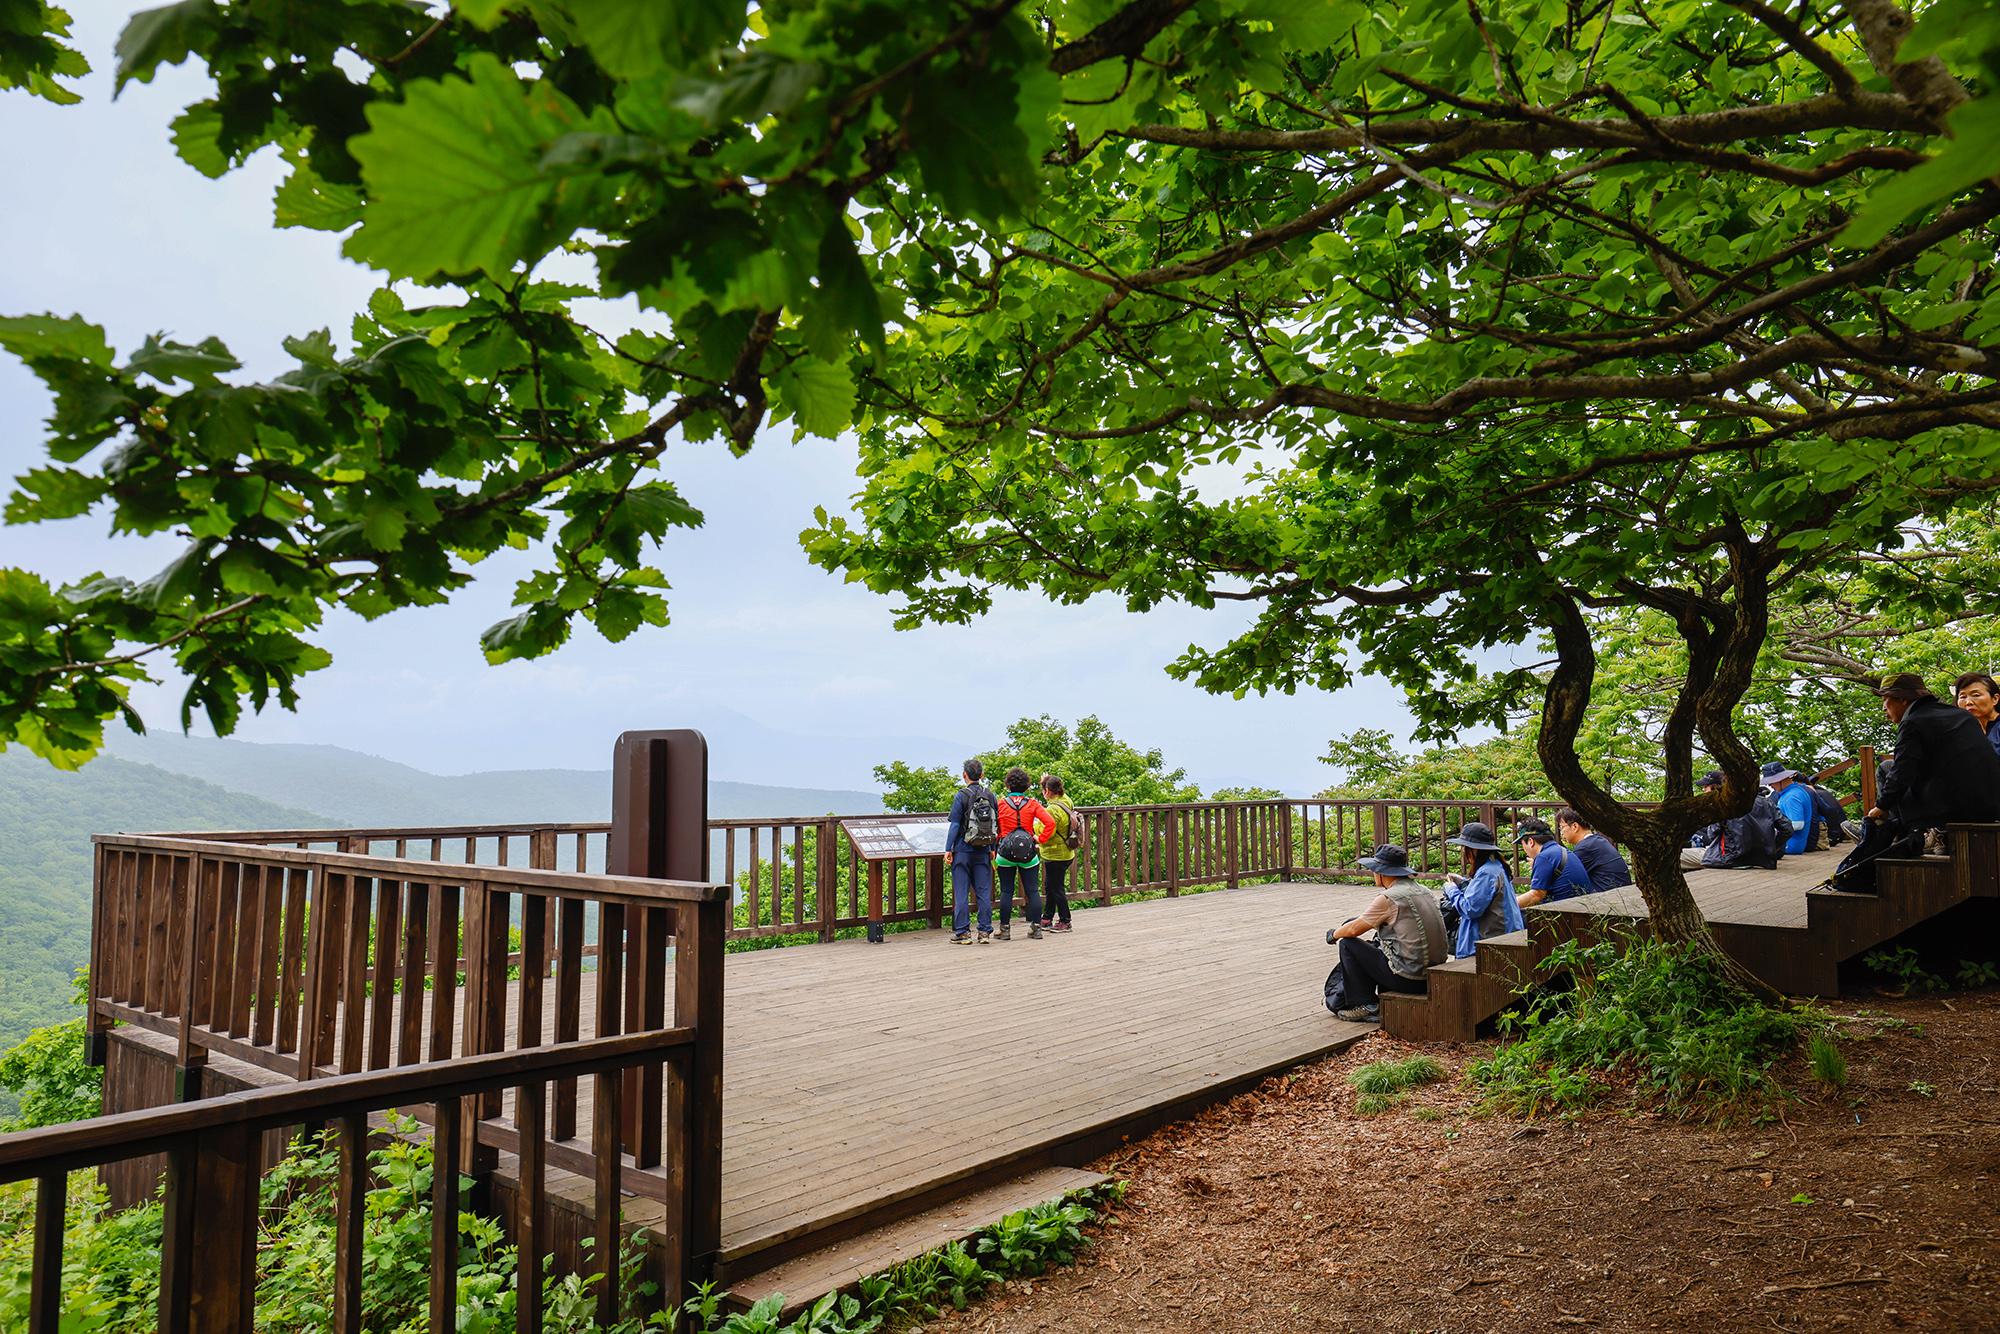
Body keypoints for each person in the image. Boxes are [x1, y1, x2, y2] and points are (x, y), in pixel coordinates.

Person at [1325, 843, 1448, 1023]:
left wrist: (1333, 934)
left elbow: (1352, 930)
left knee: (1348, 944)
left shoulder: (1389, 898)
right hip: (1432, 974)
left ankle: (1365, 1005)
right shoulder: (1424, 891)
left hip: (1409, 978)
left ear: (1382, 872)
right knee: (1362, 937)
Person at [1869, 673, 2000, 831]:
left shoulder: (1913, 722)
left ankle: (1897, 836)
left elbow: (1902, 772)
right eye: (1962, 696)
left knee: (1888, 769)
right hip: (1989, 805)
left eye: (1885, 700)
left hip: (1956, 810)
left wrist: (1881, 807)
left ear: (1902, 699)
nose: (1883, 707)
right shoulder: (1962, 716)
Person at [1441, 822, 1523, 955]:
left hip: (1488, 947)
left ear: (1474, 850)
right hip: (1502, 941)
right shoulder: (1495, 866)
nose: (1463, 852)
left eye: (1464, 847)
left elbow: (1470, 909)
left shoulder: (1487, 873)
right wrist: (1463, 883)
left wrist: (1451, 889)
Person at [992, 766, 1053, 940]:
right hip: (1028, 853)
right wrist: (1039, 839)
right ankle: (1036, 928)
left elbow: (992, 825)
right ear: (1026, 786)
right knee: (1032, 891)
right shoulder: (1032, 804)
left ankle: (1004, 929)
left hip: (1004, 853)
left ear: (1008, 785)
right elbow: (1050, 823)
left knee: (1006, 891)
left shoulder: (1001, 804)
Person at [945, 759, 1000, 944]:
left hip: (962, 849)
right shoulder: (990, 795)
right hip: (984, 849)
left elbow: (954, 824)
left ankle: (963, 932)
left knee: (961, 892)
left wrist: (948, 849)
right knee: (983, 893)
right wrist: (992, 848)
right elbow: (995, 824)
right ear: (982, 775)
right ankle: (984, 932)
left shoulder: (962, 795)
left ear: (964, 775)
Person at [1681, 771, 1777, 870]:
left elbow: (1712, 834)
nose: (1703, 789)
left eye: (1706, 786)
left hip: (1730, 859)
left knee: (1676, 856)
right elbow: (1786, 828)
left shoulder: (1721, 805)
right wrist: (1771, 850)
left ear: (1716, 787)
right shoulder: (1766, 802)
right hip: (1762, 859)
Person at [1514, 819, 1596, 908]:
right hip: (1582, 908)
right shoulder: (1561, 851)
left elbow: (1536, 895)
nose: (1523, 849)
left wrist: (1507, 905)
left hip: (1566, 914)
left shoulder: (1544, 857)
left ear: (1530, 842)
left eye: (1522, 844)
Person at [1036, 773, 1079, 933]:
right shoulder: (1066, 800)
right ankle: (1047, 917)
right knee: (1051, 885)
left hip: (1055, 854)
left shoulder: (1052, 810)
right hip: (1067, 852)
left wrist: (1035, 828)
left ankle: (1065, 920)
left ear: (1047, 791)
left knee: (1056, 887)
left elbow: (1048, 831)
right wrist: (1046, 781)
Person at [1555, 808, 1633, 890]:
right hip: (1621, 892)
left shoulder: (1585, 848)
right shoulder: (1596, 841)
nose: (1561, 832)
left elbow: (1563, 877)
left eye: (1562, 827)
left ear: (1575, 826)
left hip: (1611, 897)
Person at [1762, 762, 1819, 856]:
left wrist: (1770, 829)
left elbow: (1798, 824)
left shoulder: (1791, 797)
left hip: (1790, 846)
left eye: (1771, 782)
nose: (1769, 785)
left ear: (1779, 779)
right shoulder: (1797, 790)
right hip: (1794, 844)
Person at [1955, 671, 2000, 759]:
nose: (1968, 702)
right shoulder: (1964, 732)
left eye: (1976, 695)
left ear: (1995, 699)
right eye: (1963, 697)